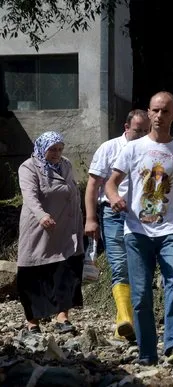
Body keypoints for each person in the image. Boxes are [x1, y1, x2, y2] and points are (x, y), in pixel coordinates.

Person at [105, 91, 173, 366]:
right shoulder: (133, 149)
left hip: (170, 230)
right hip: (136, 231)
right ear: (148, 113)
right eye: (155, 110)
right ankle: (148, 353)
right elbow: (110, 182)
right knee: (141, 294)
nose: (159, 116)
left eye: (165, 111)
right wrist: (114, 198)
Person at [84, 109, 150, 341]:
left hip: (142, 216)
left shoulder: (150, 150)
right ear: (126, 127)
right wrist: (91, 218)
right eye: (137, 130)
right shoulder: (109, 148)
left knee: (139, 266)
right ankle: (124, 318)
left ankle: (127, 322)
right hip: (112, 214)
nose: (141, 134)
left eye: (145, 130)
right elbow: (93, 185)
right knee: (119, 263)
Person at [17, 131, 84, 334]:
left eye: (60, 149)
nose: (57, 153)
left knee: (65, 269)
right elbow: (29, 195)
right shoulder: (28, 167)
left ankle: (62, 317)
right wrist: (41, 215)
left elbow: (71, 190)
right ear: (42, 148)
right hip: (40, 227)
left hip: (65, 226)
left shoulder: (65, 165)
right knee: (33, 271)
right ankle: (32, 321)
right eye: (52, 149)